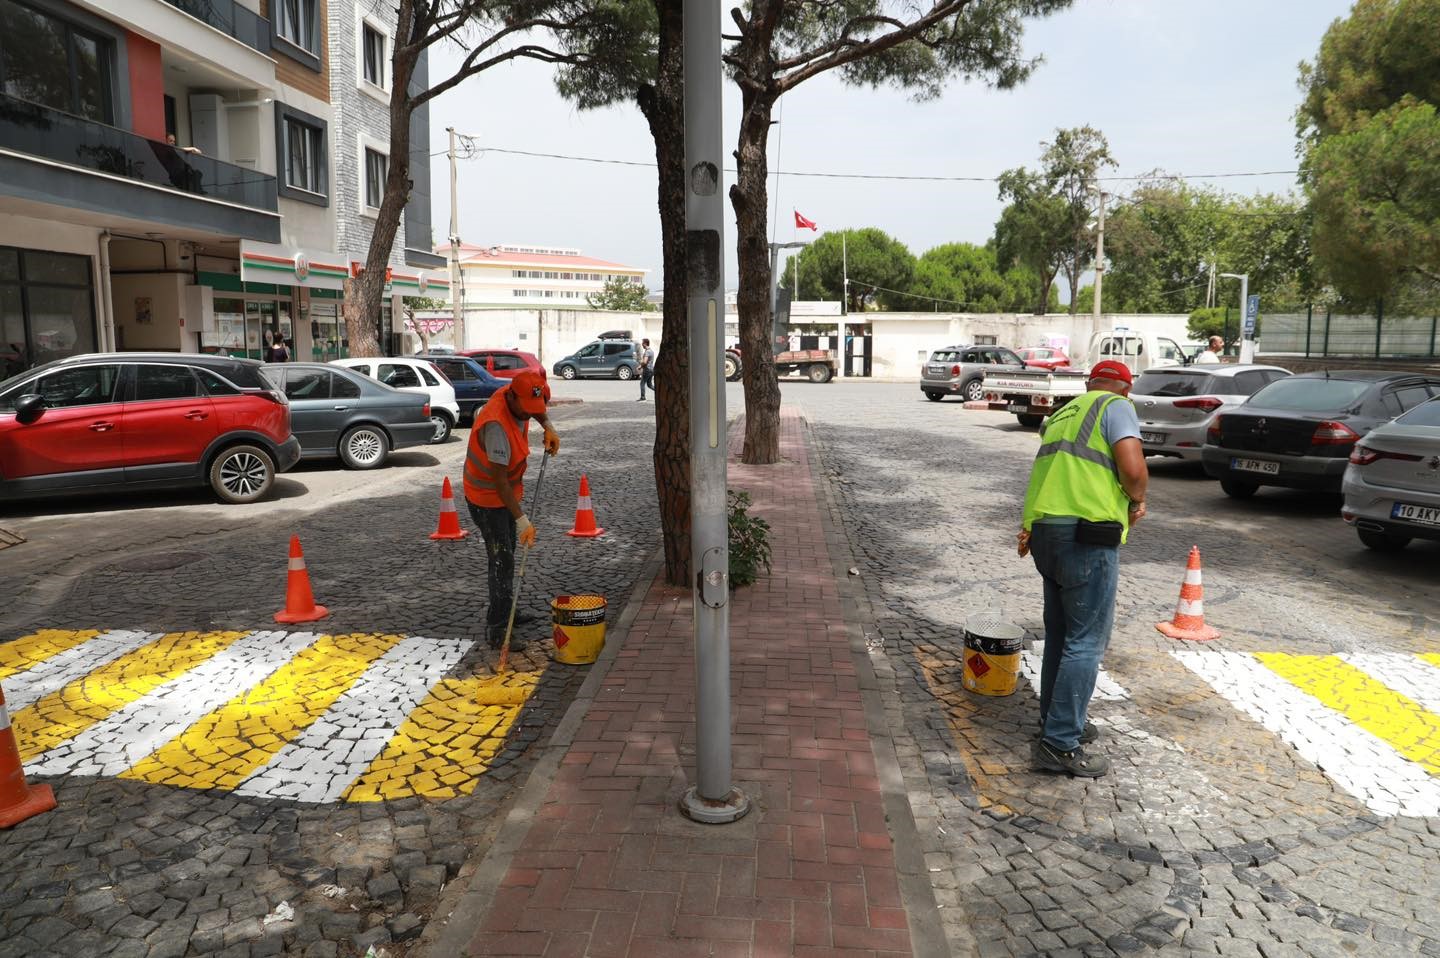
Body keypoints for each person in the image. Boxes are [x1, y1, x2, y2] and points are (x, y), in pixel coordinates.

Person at [1017, 359, 1148, 778]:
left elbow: (1045, 474)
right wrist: (1137, 499)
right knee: (1086, 642)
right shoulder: (1116, 407)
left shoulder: (1061, 415)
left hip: (1046, 533)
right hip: (1086, 535)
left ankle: (1053, 721)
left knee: (1060, 636)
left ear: (1089, 383)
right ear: (1125, 389)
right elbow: (1132, 469)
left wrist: (1027, 527)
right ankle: (1059, 744)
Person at [463, 369, 562, 649]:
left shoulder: (521, 396)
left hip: (507, 493)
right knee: (501, 559)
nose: (529, 414)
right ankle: (497, 629)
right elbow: (499, 482)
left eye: (535, 410)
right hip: (486, 496)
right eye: (526, 410)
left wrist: (548, 426)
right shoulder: (495, 425)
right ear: (512, 397)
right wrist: (521, 520)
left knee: (508, 553)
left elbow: (538, 408)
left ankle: (508, 610)